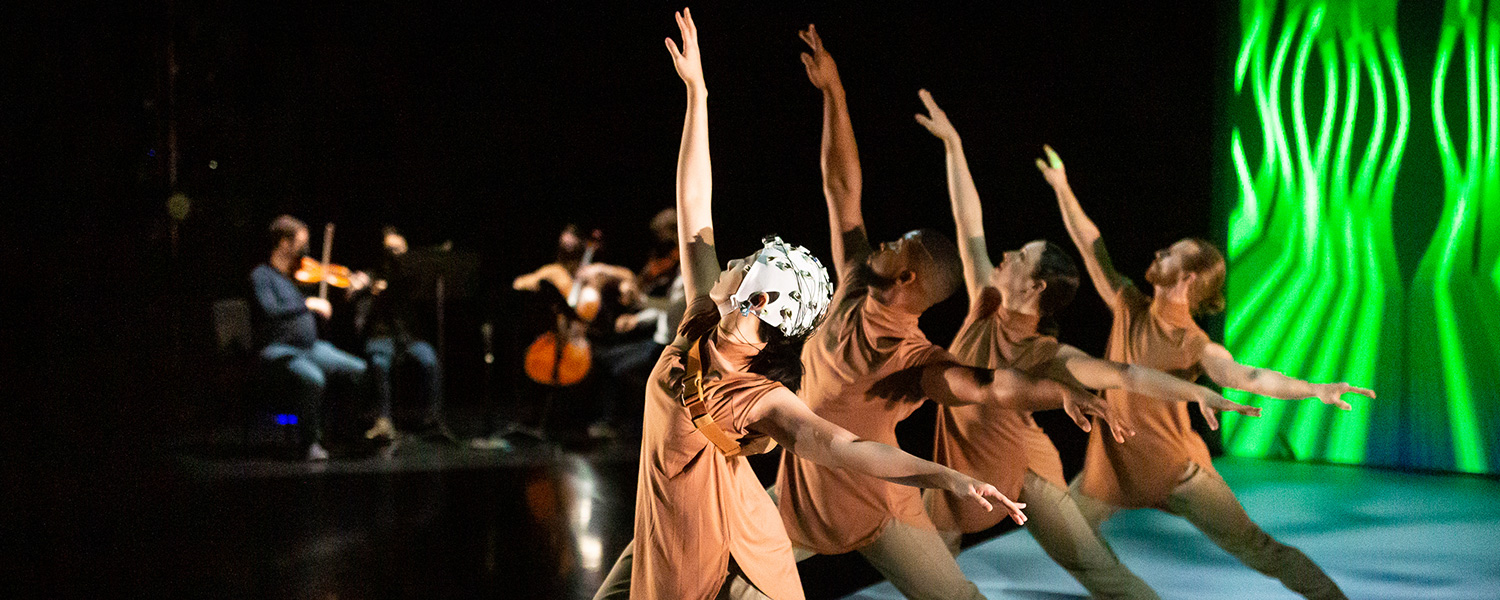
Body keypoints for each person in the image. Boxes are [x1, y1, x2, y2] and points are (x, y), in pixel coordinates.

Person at [592, 11, 1024, 600]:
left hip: (734, 544)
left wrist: (945, 474)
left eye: (742, 266)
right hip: (684, 521)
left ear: (760, 298)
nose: (730, 263)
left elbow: (840, 444)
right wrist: (698, 94)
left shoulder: (757, 392)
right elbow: (696, 205)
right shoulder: (702, 319)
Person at [771, 27, 1126, 600]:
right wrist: (833, 92)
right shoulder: (859, 281)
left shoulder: (910, 356)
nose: (880, 242)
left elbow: (986, 386)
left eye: (897, 246)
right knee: (728, 574)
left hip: (885, 504)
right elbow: (842, 190)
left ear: (909, 279)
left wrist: (1058, 393)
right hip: (804, 491)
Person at [914, 90, 1262, 598]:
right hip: (960, 467)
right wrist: (954, 145)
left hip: (1024, 468)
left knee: (1099, 571)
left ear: (1034, 288)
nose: (1004, 254)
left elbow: (1124, 375)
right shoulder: (985, 302)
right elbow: (970, 227)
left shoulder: (1045, 353)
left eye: (1020, 256)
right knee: (929, 578)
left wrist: (1198, 392)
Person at [1036, 145, 1375, 600]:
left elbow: (1247, 377)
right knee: (1065, 537)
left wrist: (1313, 389)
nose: (1159, 252)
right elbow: (1089, 243)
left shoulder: (1194, 342)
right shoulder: (1128, 304)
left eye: (1171, 254)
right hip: (1113, 468)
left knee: (1260, 550)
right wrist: (1062, 187)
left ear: (1188, 279)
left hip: (1177, 471)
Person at [247, 215, 368, 461]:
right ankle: (309, 442)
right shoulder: (262, 275)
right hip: (279, 350)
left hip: (310, 347)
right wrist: (308, 303)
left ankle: (342, 432)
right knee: (313, 378)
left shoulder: (294, 276)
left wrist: (357, 281)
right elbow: (270, 309)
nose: (305, 249)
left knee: (358, 368)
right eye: (301, 242)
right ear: (283, 243)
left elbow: (328, 281)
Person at [591, 208, 688, 439]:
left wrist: (640, 301)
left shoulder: (688, 271)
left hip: (673, 347)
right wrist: (637, 319)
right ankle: (633, 420)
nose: (661, 245)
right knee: (608, 359)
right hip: (659, 340)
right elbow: (666, 311)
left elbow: (674, 308)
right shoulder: (674, 267)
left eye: (664, 237)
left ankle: (621, 424)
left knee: (620, 371)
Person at [349, 226, 443, 441]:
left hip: (408, 337)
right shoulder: (372, 275)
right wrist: (363, 290)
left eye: (400, 249)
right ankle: (384, 420)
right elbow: (355, 304)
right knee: (380, 364)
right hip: (379, 336)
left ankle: (430, 417)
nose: (395, 255)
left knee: (429, 361)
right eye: (390, 250)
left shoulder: (414, 279)